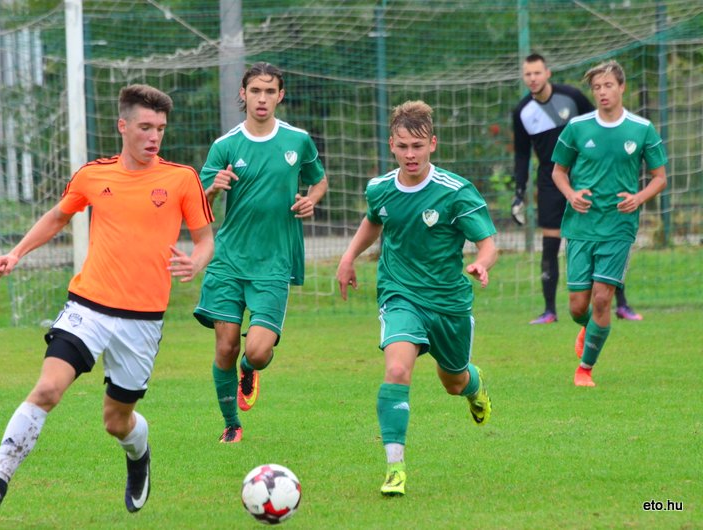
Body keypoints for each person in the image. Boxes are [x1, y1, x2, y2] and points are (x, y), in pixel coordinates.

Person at [0, 84, 215, 520]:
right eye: (144, 127)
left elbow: (204, 240)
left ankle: (138, 455)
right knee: (47, 389)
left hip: (142, 320)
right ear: (123, 126)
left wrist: (195, 262)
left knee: (116, 421)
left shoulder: (181, 178)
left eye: (160, 128)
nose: (154, 136)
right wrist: (16, 253)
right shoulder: (93, 175)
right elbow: (59, 216)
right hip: (88, 306)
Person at [337, 100, 496, 497]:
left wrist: (481, 263)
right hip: (399, 294)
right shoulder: (380, 188)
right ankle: (395, 469)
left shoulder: (455, 192)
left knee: (453, 381)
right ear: (392, 144)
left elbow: (488, 242)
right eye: (404, 146)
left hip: (448, 303)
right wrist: (348, 257)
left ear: (433, 145)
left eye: (418, 146)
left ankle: (474, 386)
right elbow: (375, 220)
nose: (411, 154)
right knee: (396, 371)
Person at [193, 62, 328, 443]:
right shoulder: (225, 146)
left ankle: (250, 369)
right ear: (243, 94)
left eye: (270, 91)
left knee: (257, 351)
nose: (262, 98)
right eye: (256, 91)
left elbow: (319, 181)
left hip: (274, 261)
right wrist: (214, 188)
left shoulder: (297, 140)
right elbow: (195, 203)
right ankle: (231, 425)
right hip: (230, 259)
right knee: (225, 346)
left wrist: (310, 199)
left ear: (280, 96)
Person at [551, 60, 667, 387]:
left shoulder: (641, 128)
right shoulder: (577, 127)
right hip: (581, 225)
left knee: (603, 299)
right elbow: (558, 172)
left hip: (619, 225)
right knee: (578, 308)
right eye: (597, 87)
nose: (602, 92)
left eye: (608, 86)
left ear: (622, 87)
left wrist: (638, 198)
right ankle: (589, 328)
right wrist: (572, 194)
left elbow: (660, 178)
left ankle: (584, 368)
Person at [512, 53, 643, 324]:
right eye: (528, 74)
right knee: (550, 243)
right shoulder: (522, 112)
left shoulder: (571, 97)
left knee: (606, 238)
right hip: (551, 181)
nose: (533, 78)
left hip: (587, 180)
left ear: (547, 73)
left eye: (537, 72)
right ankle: (550, 310)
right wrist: (519, 193)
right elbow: (522, 155)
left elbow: (601, 124)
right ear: (524, 77)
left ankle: (622, 304)